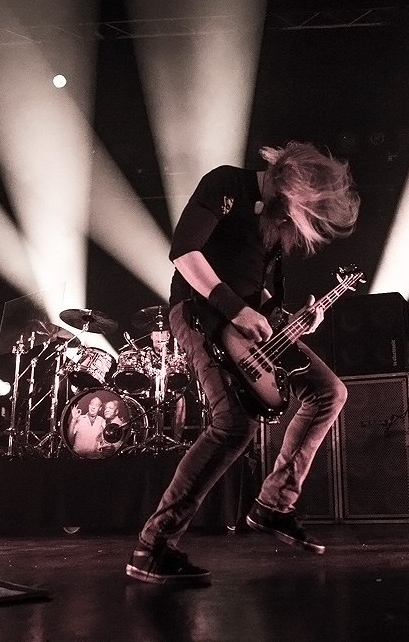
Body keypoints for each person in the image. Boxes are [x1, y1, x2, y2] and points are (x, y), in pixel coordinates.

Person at [126, 141, 360, 585]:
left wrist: (290, 319)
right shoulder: (226, 184)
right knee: (234, 423)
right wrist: (236, 310)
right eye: (296, 209)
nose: (293, 221)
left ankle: (274, 503)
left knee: (328, 391)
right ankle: (152, 547)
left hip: (244, 317)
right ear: (284, 183)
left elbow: (255, 289)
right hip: (199, 311)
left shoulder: (272, 224)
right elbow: (184, 253)